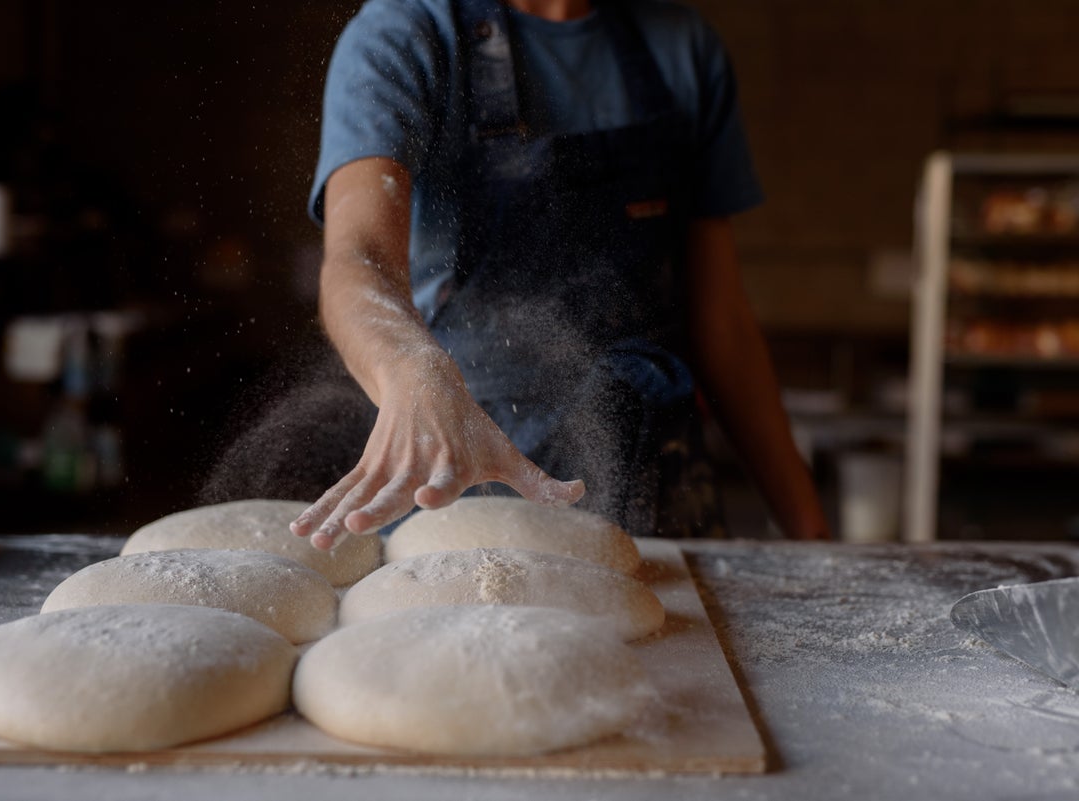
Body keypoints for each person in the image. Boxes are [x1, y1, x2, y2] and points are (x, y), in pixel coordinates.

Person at [283, 0, 830, 549]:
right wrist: (411, 368)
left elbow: (723, 324)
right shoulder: (408, 34)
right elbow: (359, 262)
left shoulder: (682, 48)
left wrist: (814, 539)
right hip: (467, 504)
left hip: (665, 494)